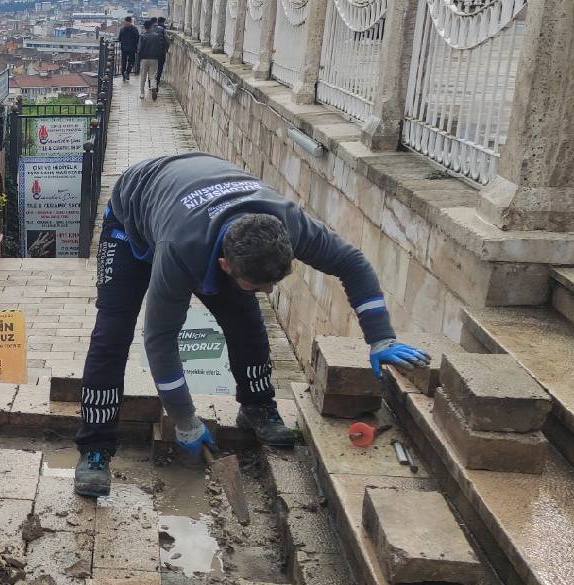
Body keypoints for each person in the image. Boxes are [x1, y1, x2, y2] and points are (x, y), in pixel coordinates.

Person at [72, 153, 429, 497]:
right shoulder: (182, 249)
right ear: (226, 265)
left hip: (199, 201)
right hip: (133, 214)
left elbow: (352, 263)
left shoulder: (287, 222)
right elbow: (160, 339)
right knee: (112, 333)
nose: (269, 292)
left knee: (245, 318)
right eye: (260, 285)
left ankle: (257, 407)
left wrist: (380, 337)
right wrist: (184, 418)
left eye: (273, 283)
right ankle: (95, 449)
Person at [137, 19, 165, 100]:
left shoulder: (142, 36)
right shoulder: (156, 36)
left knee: (143, 76)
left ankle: (142, 93)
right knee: (153, 76)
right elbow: (159, 47)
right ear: (151, 27)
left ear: (145, 27)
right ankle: (153, 88)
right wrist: (158, 57)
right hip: (154, 58)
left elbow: (139, 49)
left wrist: (140, 58)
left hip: (144, 58)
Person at [116, 16, 140, 82]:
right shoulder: (134, 29)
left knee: (124, 62)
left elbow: (119, 38)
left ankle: (124, 74)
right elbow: (137, 38)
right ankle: (127, 72)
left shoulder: (122, 29)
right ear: (131, 22)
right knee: (131, 61)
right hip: (132, 48)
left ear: (126, 21)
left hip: (124, 48)